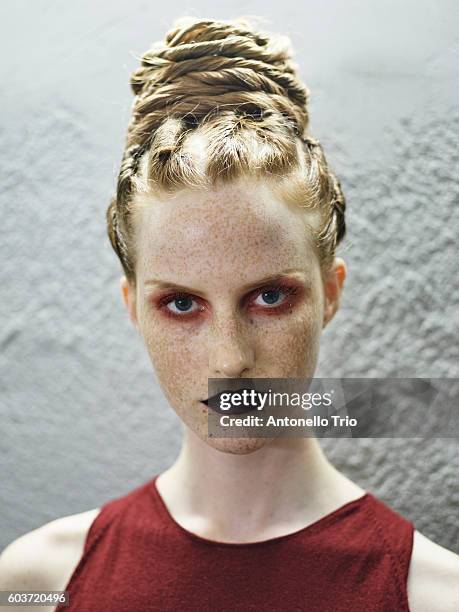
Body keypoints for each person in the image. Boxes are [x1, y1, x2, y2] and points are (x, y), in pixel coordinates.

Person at [1, 15, 458, 612]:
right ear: (132, 307)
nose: (229, 359)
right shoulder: (36, 585)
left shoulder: (433, 597)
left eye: (269, 297)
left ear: (331, 292)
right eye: (182, 304)